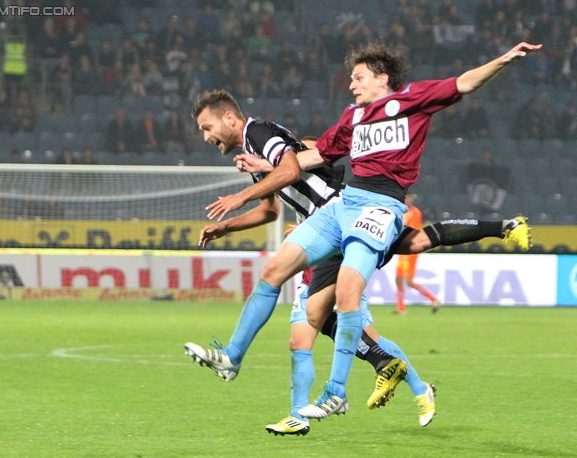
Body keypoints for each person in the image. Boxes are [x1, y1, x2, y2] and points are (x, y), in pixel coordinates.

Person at [186, 40, 541, 422]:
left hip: (380, 206)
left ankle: (338, 392)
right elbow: (316, 153)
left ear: (381, 78)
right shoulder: (353, 116)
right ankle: (232, 357)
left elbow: (464, 83)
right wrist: (268, 167)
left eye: (358, 77)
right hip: (343, 205)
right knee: (276, 271)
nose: (352, 84)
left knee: (349, 290)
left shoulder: (410, 100)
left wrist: (503, 59)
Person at [395, 193, 440, 315]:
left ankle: (434, 299)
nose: (407, 200)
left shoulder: (415, 213)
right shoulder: (400, 211)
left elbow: (413, 232)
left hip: (410, 250)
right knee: (398, 279)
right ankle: (401, 307)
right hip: (402, 249)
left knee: (409, 281)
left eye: (408, 198)